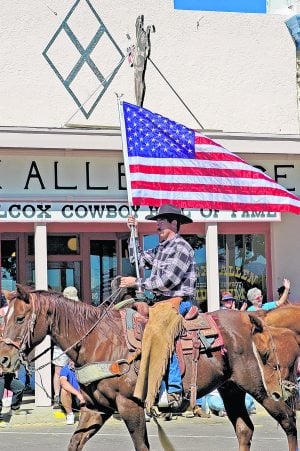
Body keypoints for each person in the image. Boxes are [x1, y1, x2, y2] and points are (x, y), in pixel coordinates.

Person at [120, 203, 196, 410]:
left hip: (178, 301)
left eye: (161, 221)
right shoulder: (161, 248)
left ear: (174, 222)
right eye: (157, 221)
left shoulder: (182, 248)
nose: (157, 225)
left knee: (160, 331)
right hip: (159, 302)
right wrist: (133, 233)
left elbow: (167, 281)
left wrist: (136, 283)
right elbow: (136, 259)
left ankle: (173, 389)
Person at [53, 286, 79, 408]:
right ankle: (58, 397)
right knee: (59, 371)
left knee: (66, 371)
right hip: (62, 345)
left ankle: (71, 398)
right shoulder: (59, 311)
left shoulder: (78, 309)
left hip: (72, 344)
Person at [59, 359, 85, 425]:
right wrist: (78, 394)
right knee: (64, 390)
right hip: (72, 398)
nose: (72, 362)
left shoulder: (84, 368)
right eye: (71, 360)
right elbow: (63, 382)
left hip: (84, 397)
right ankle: (70, 414)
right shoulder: (65, 369)